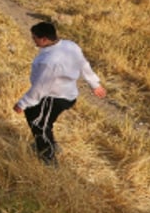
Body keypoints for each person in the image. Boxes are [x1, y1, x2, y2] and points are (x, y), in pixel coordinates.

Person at [14, 22, 107, 164]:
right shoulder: (70, 46)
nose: (33, 40)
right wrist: (95, 84)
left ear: (44, 39)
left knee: (39, 124)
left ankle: (48, 156)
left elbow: (41, 87)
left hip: (54, 97)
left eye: (35, 38)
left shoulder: (50, 61)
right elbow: (83, 64)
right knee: (36, 114)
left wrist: (22, 103)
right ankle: (47, 143)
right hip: (66, 93)